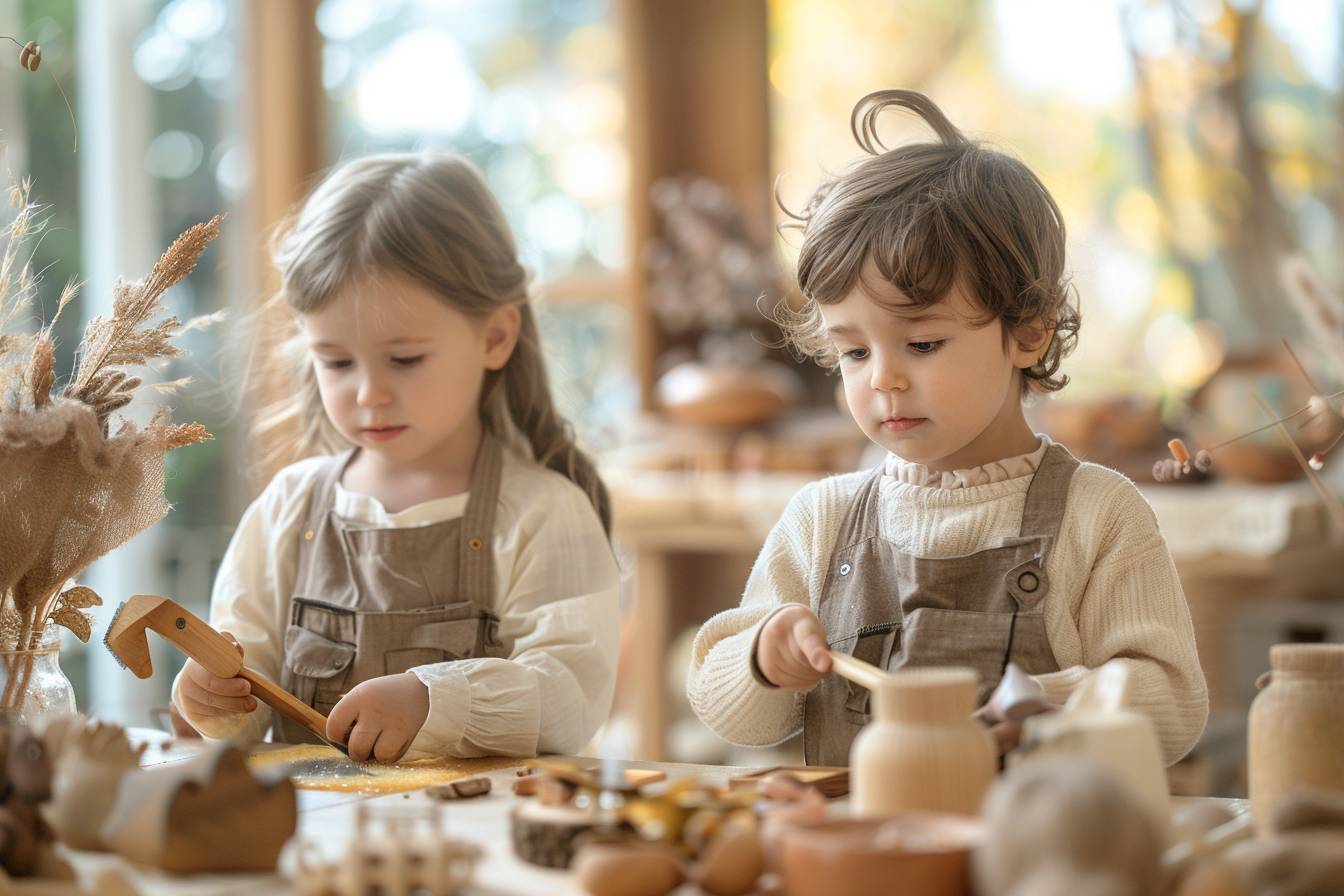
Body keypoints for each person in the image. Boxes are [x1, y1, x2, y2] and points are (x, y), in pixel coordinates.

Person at [686, 90, 1207, 767]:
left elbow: (1172, 700)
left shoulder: (1099, 514)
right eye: (854, 352)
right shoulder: (822, 520)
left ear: (1028, 332)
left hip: (1032, 859)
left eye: (923, 344)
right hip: (867, 856)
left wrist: (1051, 706)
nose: (883, 380)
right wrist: (763, 659)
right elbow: (730, 709)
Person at [172, 153, 619, 763]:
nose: (368, 393)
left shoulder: (543, 512)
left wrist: (435, 702)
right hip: (307, 847)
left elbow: (570, 697)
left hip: (478, 847)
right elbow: (246, 696)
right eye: (335, 361)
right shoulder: (289, 507)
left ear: (495, 338)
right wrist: (213, 698)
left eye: (404, 359)